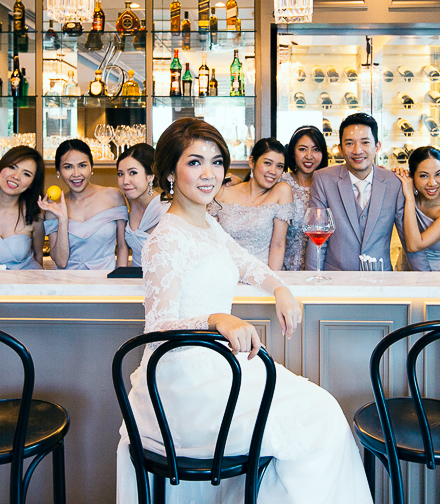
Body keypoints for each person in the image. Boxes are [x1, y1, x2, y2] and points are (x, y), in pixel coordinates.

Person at [115, 117, 372, 504]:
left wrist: (280, 289)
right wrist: (214, 319)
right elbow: (158, 327)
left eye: (217, 162)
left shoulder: (207, 225)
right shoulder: (165, 238)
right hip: (185, 388)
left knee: (324, 412)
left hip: (219, 369)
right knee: (321, 418)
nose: (209, 174)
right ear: (169, 172)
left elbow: (246, 263)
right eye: (195, 162)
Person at [305, 112, 405, 271]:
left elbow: (408, 239)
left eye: (365, 142)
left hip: (380, 278)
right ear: (340, 149)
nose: (357, 150)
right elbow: (317, 240)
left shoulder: (395, 182)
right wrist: (313, 280)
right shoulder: (323, 179)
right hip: (336, 279)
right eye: (349, 143)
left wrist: (423, 280)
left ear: (377, 147)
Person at [38, 139, 128, 271]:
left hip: (107, 281)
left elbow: (122, 247)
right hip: (68, 282)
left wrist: (121, 279)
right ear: (58, 171)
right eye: (68, 167)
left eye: (82, 165)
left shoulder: (113, 196)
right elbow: (61, 262)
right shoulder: (54, 208)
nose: (76, 174)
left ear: (91, 167)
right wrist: (62, 219)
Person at [211, 138, 295, 270]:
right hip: (224, 271)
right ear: (252, 162)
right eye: (267, 163)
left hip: (261, 274)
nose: (273, 171)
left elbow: (278, 245)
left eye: (279, 166)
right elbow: (211, 241)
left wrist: (273, 279)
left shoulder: (281, 191)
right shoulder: (223, 192)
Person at [395, 146, 440, 271]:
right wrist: (395, 175)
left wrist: (410, 199)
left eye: (438, 174)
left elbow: (414, 246)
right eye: (424, 176)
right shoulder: (405, 194)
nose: (432, 183)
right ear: (411, 176)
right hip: (406, 270)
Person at [281, 125, 328, 270]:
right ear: (292, 152)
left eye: (316, 149)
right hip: (283, 267)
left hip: (321, 268)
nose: (309, 156)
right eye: (302, 149)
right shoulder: (280, 183)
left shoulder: (330, 184)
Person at [117, 143, 168, 267]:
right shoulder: (130, 201)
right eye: (120, 174)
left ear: (150, 176)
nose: (125, 181)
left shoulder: (165, 210)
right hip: (133, 276)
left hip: (158, 276)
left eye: (132, 173)